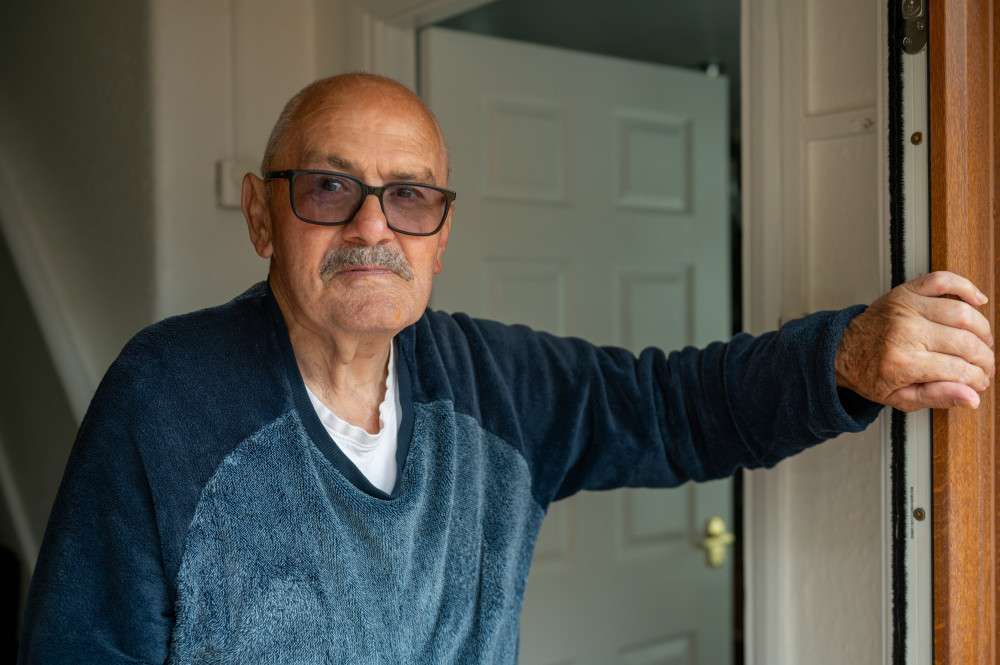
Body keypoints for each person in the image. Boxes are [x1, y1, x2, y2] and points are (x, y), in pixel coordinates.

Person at [18, 73, 994, 664]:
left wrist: (846, 356)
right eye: (328, 187)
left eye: (408, 197)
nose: (371, 226)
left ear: (440, 235)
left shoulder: (497, 386)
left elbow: (670, 404)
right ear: (260, 214)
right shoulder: (164, 394)